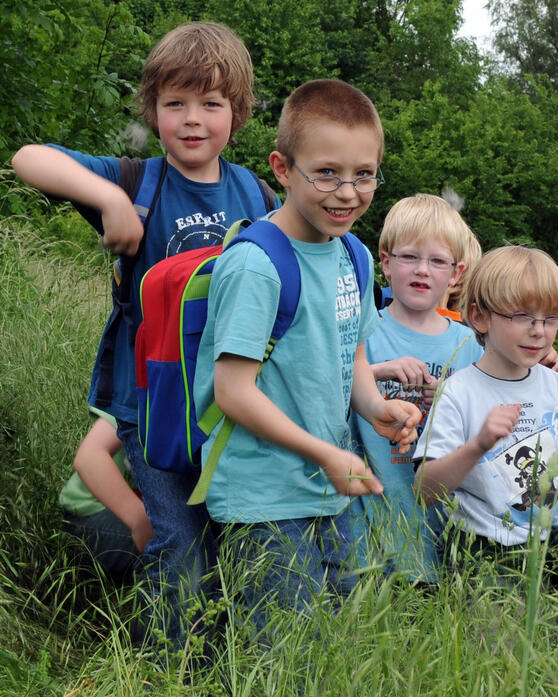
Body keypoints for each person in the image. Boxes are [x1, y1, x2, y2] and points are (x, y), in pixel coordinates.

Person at [11, 22, 278, 640]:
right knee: (177, 548)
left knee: (225, 542)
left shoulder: (259, 195)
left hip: (230, 403)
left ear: (236, 115)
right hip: (148, 403)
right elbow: (29, 158)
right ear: (152, 110)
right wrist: (106, 198)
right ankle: (164, 668)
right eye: (175, 103)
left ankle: (221, 662)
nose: (192, 119)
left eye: (211, 104)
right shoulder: (136, 181)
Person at [193, 79, 420, 632]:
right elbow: (233, 391)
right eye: (327, 173)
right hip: (264, 496)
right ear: (282, 168)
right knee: (281, 652)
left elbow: (354, 359)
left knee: (337, 640)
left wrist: (377, 410)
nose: (348, 192)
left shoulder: (356, 255)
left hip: (330, 488)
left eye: (364, 174)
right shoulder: (256, 266)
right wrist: (325, 453)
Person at [413, 245, 558, 579]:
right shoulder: (458, 392)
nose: (539, 331)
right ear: (480, 316)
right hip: (485, 553)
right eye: (522, 316)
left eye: (551, 318)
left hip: (555, 550)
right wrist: (479, 444)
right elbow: (424, 491)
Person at [349, 193, 484, 582]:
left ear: (456, 273)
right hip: (372, 518)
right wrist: (377, 371)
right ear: (386, 263)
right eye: (409, 257)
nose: (422, 270)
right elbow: (331, 390)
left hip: (446, 522)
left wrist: (452, 396)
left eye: (437, 261)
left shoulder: (471, 344)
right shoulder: (365, 331)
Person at [60, 408, 153, 583]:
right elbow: (88, 458)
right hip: (93, 513)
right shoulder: (143, 390)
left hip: (148, 510)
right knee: (178, 551)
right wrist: (141, 522)